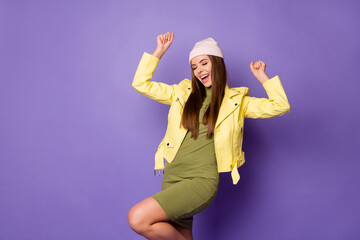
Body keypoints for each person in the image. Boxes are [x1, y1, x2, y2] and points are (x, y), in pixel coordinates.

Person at [128, 32, 291, 240]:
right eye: (194, 67)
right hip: (172, 177)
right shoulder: (182, 92)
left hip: (201, 181)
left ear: (217, 63)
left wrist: (262, 77)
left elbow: (281, 106)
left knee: (138, 218)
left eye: (204, 63)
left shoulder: (236, 101)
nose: (199, 70)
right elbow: (141, 84)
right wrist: (158, 51)